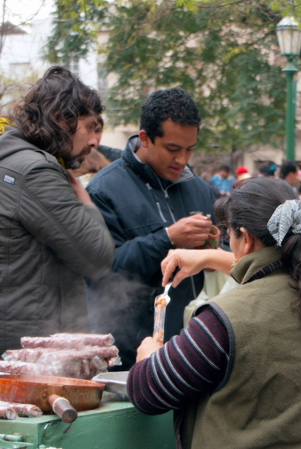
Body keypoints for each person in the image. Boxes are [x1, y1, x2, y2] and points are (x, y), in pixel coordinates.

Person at [127, 178, 301, 448]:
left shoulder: (225, 317)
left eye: (228, 237)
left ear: (245, 238)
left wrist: (148, 356)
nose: (227, 245)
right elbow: (270, 267)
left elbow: (148, 392)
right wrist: (208, 258)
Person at [86, 88, 220, 368]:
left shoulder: (201, 190)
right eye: (172, 149)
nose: (182, 160)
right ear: (145, 138)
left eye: (189, 149)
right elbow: (102, 271)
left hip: (195, 348)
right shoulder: (103, 189)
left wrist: (212, 251)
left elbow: (225, 262)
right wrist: (168, 238)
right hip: (131, 352)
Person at [0, 66, 114, 352]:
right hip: (31, 353)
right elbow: (97, 256)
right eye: (89, 127)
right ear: (60, 119)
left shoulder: (11, 160)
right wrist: (87, 205)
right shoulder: (36, 170)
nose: (93, 140)